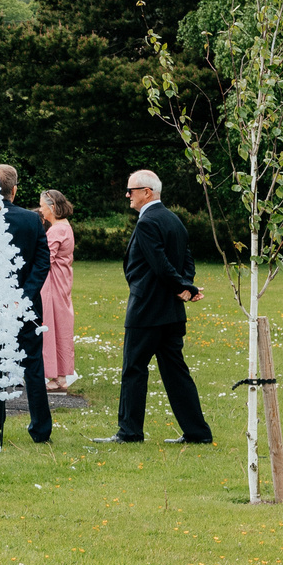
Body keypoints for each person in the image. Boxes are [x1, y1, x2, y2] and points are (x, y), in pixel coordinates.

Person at [102, 169, 212, 446]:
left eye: (131, 190)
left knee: (134, 370)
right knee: (176, 372)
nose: (127, 195)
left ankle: (129, 432)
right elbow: (186, 260)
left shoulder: (147, 222)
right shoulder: (174, 220)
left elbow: (160, 264)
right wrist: (186, 286)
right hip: (172, 312)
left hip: (146, 310)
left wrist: (184, 287)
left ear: (147, 192)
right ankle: (198, 433)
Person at [0, 165, 52, 441]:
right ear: (14, 190)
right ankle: (41, 428)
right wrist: (24, 296)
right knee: (33, 367)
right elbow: (42, 262)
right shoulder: (32, 219)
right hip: (26, 306)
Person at [40, 189, 78, 390]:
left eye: (42, 205)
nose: (40, 209)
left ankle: (57, 376)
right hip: (62, 280)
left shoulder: (56, 230)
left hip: (53, 283)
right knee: (61, 326)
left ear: (52, 207)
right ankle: (60, 375)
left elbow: (45, 258)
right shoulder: (65, 227)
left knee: (52, 326)